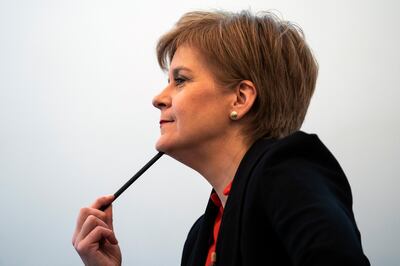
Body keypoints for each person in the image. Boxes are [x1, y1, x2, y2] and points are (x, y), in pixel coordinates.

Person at [72, 10, 370, 266]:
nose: (158, 98)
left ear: (240, 99)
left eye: (181, 80)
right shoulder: (200, 238)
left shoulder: (287, 168)